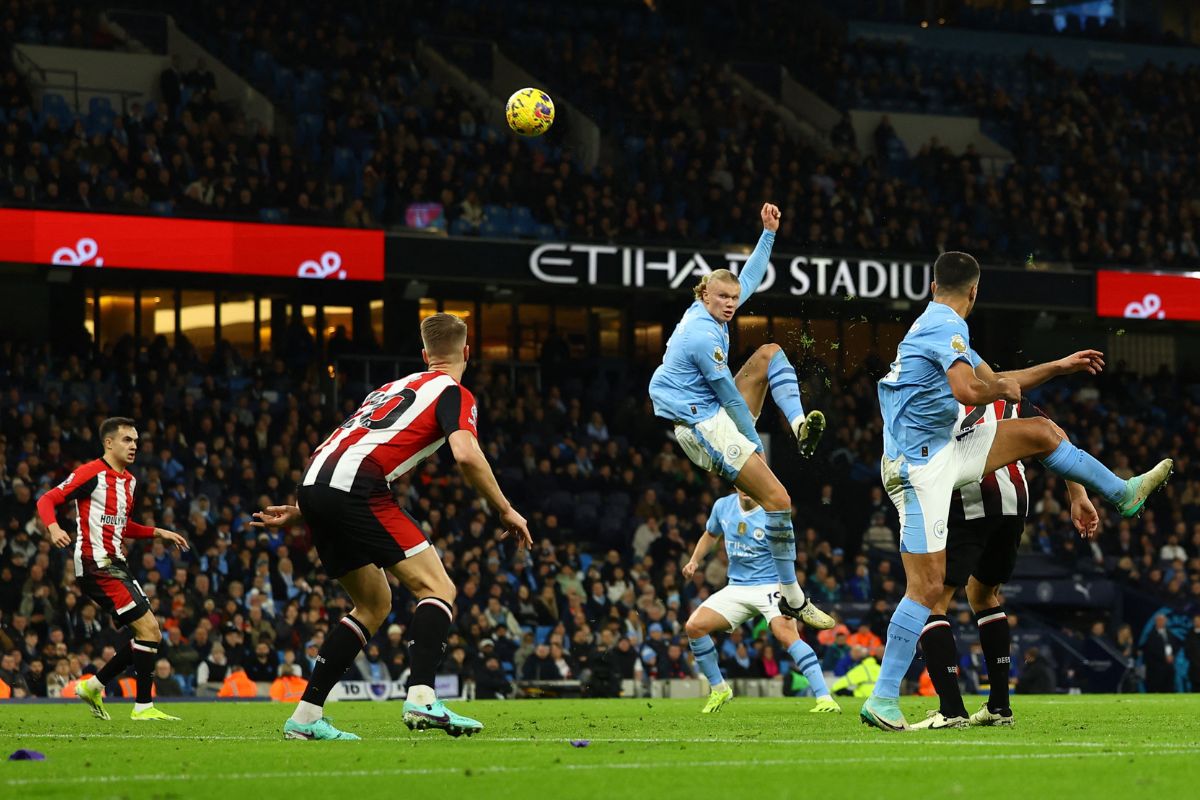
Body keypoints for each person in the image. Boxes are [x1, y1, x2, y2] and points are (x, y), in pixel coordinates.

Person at [860, 250, 1173, 732]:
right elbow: (970, 390)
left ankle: (1122, 492)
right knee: (926, 587)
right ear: (974, 292)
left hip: (943, 451)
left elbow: (998, 381)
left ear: (933, 287)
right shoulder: (945, 328)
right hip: (917, 467)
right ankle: (883, 698)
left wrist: (1059, 366)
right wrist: (992, 391)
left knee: (1041, 433)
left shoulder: (941, 325)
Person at [253, 312, 532, 740]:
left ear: (424, 355)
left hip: (313, 483)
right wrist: (505, 509)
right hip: (358, 486)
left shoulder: (388, 388)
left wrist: (303, 507)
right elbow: (467, 454)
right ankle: (422, 699)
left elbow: (347, 441)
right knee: (438, 588)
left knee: (373, 604)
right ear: (467, 353)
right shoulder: (454, 392)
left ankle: (305, 718)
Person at [649, 203, 832, 630]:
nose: (731, 303)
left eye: (734, 299)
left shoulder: (716, 309)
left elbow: (748, 277)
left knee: (770, 353)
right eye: (723, 298)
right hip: (702, 425)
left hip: (711, 410)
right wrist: (755, 447)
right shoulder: (699, 336)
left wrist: (768, 232)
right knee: (780, 500)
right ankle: (792, 597)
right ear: (703, 295)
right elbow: (732, 400)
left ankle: (800, 424)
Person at [914, 399, 1096, 729]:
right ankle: (999, 707)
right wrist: (1077, 494)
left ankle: (952, 710)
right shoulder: (1008, 394)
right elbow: (1056, 435)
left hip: (969, 496)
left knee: (930, 601)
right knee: (984, 595)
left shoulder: (938, 389)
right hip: (1013, 500)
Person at [36, 416, 190, 722]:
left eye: (135, 440)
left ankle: (93, 685)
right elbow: (47, 499)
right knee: (149, 630)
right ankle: (142, 707)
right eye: (126, 440)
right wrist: (53, 529)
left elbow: (123, 525)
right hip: (96, 565)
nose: (134, 445)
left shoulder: (129, 482)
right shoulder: (90, 472)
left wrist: (159, 532)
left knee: (150, 634)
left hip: (117, 565)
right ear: (109, 443)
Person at [683, 488, 840, 714]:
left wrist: (787, 595)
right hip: (736, 586)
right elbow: (710, 534)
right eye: (741, 483)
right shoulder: (722, 506)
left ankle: (825, 698)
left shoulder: (773, 513)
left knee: (786, 635)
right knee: (693, 627)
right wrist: (694, 560)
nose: (746, 488)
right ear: (736, 484)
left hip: (770, 584)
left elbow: (784, 559)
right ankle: (720, 689)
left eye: (751, 483)